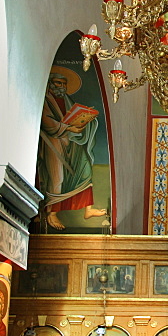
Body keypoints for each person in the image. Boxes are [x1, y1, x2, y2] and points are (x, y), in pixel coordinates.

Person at [37, 67, 107, 230]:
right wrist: (68, 128)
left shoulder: (67, 100)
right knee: (57, 177)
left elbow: (73, 117)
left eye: (63, 84)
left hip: (73, 143)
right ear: (50, 85)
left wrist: (86, 120)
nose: (61, 87)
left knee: (85, 170)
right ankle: (52, 213)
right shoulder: (46, 100)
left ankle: (88, 210)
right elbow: (46, 122)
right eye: (58, 83)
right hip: (53, 143)